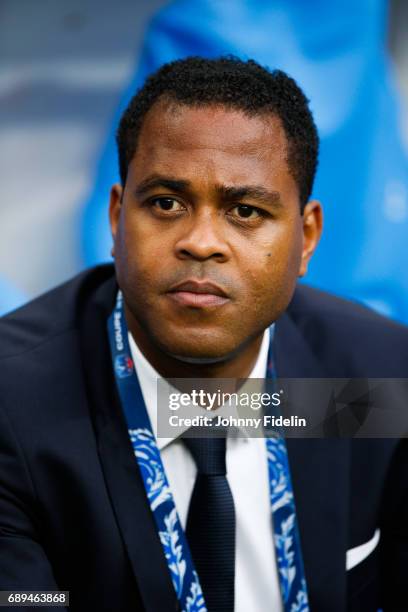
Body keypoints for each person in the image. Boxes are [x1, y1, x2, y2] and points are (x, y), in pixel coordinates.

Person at [0, 57, 407, 612]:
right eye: (166, 203)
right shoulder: (14, 406)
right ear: (117, 220)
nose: (202, 242)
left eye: (245, 210)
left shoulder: (377, 383)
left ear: (306, 238)